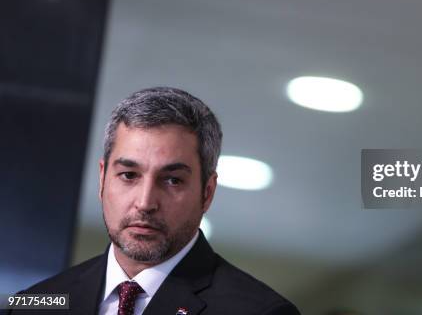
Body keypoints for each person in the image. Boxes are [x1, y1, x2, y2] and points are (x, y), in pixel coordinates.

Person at [12, 87, 300, 315]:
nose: (145, 202)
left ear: (207, 192)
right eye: (128, 175)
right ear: (102, 179)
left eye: (172, 180)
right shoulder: (35, 303)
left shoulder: (259, 311)